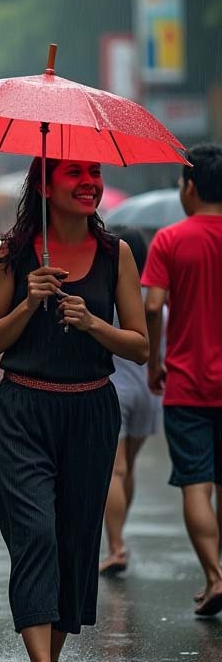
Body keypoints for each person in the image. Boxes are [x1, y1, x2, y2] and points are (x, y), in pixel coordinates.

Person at [0, 157, 147, 662]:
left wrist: (94, 323)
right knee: (36, 533)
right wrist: (29, 302)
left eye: (93, 173)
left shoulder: (115, 254)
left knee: (75, 539)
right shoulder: (13, 253)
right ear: (45, 185)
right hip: (23, 409)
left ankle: (54, 661)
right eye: (74, 173)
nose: (89, 183)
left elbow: (141, 347)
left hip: (91, 412)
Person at [143, 142, 222, 617]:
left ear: (190, 187)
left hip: (188, 384)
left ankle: (214, 575)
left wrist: (155, 360)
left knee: (197, 482)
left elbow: (152, 305)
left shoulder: (170, 240)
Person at [99, 227, 161, 576]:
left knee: (114, 470)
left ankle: (116, 545)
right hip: (148, 393)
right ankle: (118, 538)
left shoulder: (110, 295)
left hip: (117, 388)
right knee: (128, 469)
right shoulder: (154, 299)